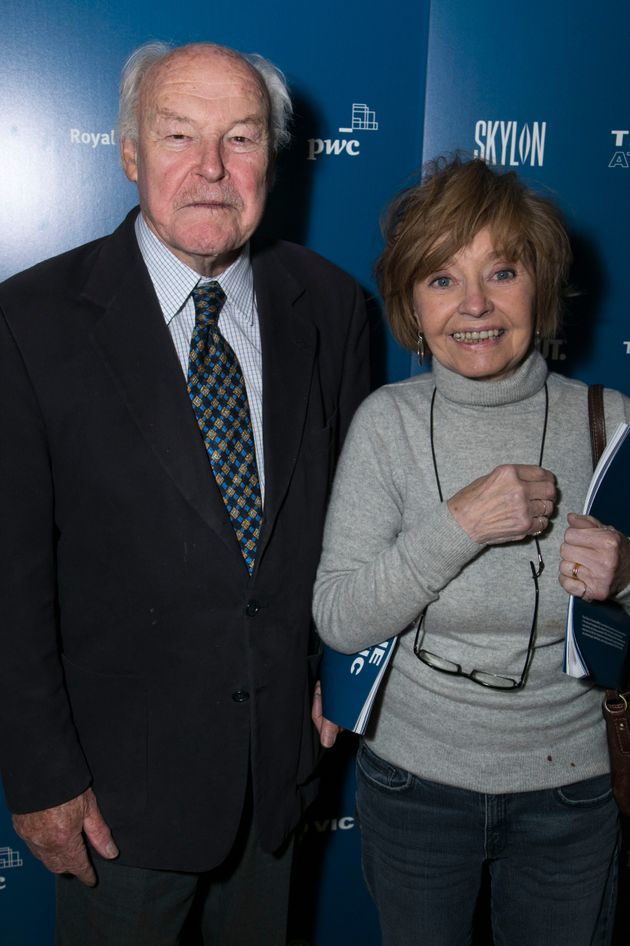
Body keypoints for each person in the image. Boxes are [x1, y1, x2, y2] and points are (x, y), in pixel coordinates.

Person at [0, 41, 369, 946]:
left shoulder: (332, 308)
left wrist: (347, 679)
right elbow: (8, 578)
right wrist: (42, 775)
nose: (211, 168)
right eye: (178, 136)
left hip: (281, 776)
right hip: (115, 801)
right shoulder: (28, 323)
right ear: (129, 152)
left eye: (240, 138)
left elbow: (366, 523)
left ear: (272, 163)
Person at [313, 156, 630, 946]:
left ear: (542, 289)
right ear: (412, 307)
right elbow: (339, 617)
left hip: (573, 791)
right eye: (442, 280)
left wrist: (627, 579)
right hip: (414, 787)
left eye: (503, 270)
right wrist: (459, 525)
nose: (476, 306)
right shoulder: (385, 424)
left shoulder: (609, 419)